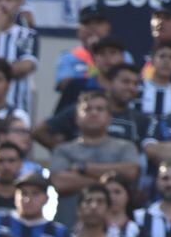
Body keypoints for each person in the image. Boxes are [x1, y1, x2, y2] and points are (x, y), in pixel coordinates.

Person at [49, 91, 142, 227]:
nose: (93, 113)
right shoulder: (62, 150)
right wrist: (108, 182)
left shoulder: (126, 147)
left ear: (110, 117)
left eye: (99, 109)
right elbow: (60, 182)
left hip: (115, 230)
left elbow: (131, 172)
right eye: (87, 109)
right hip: (68, 225)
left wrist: (84, 168)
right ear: (76, 117)